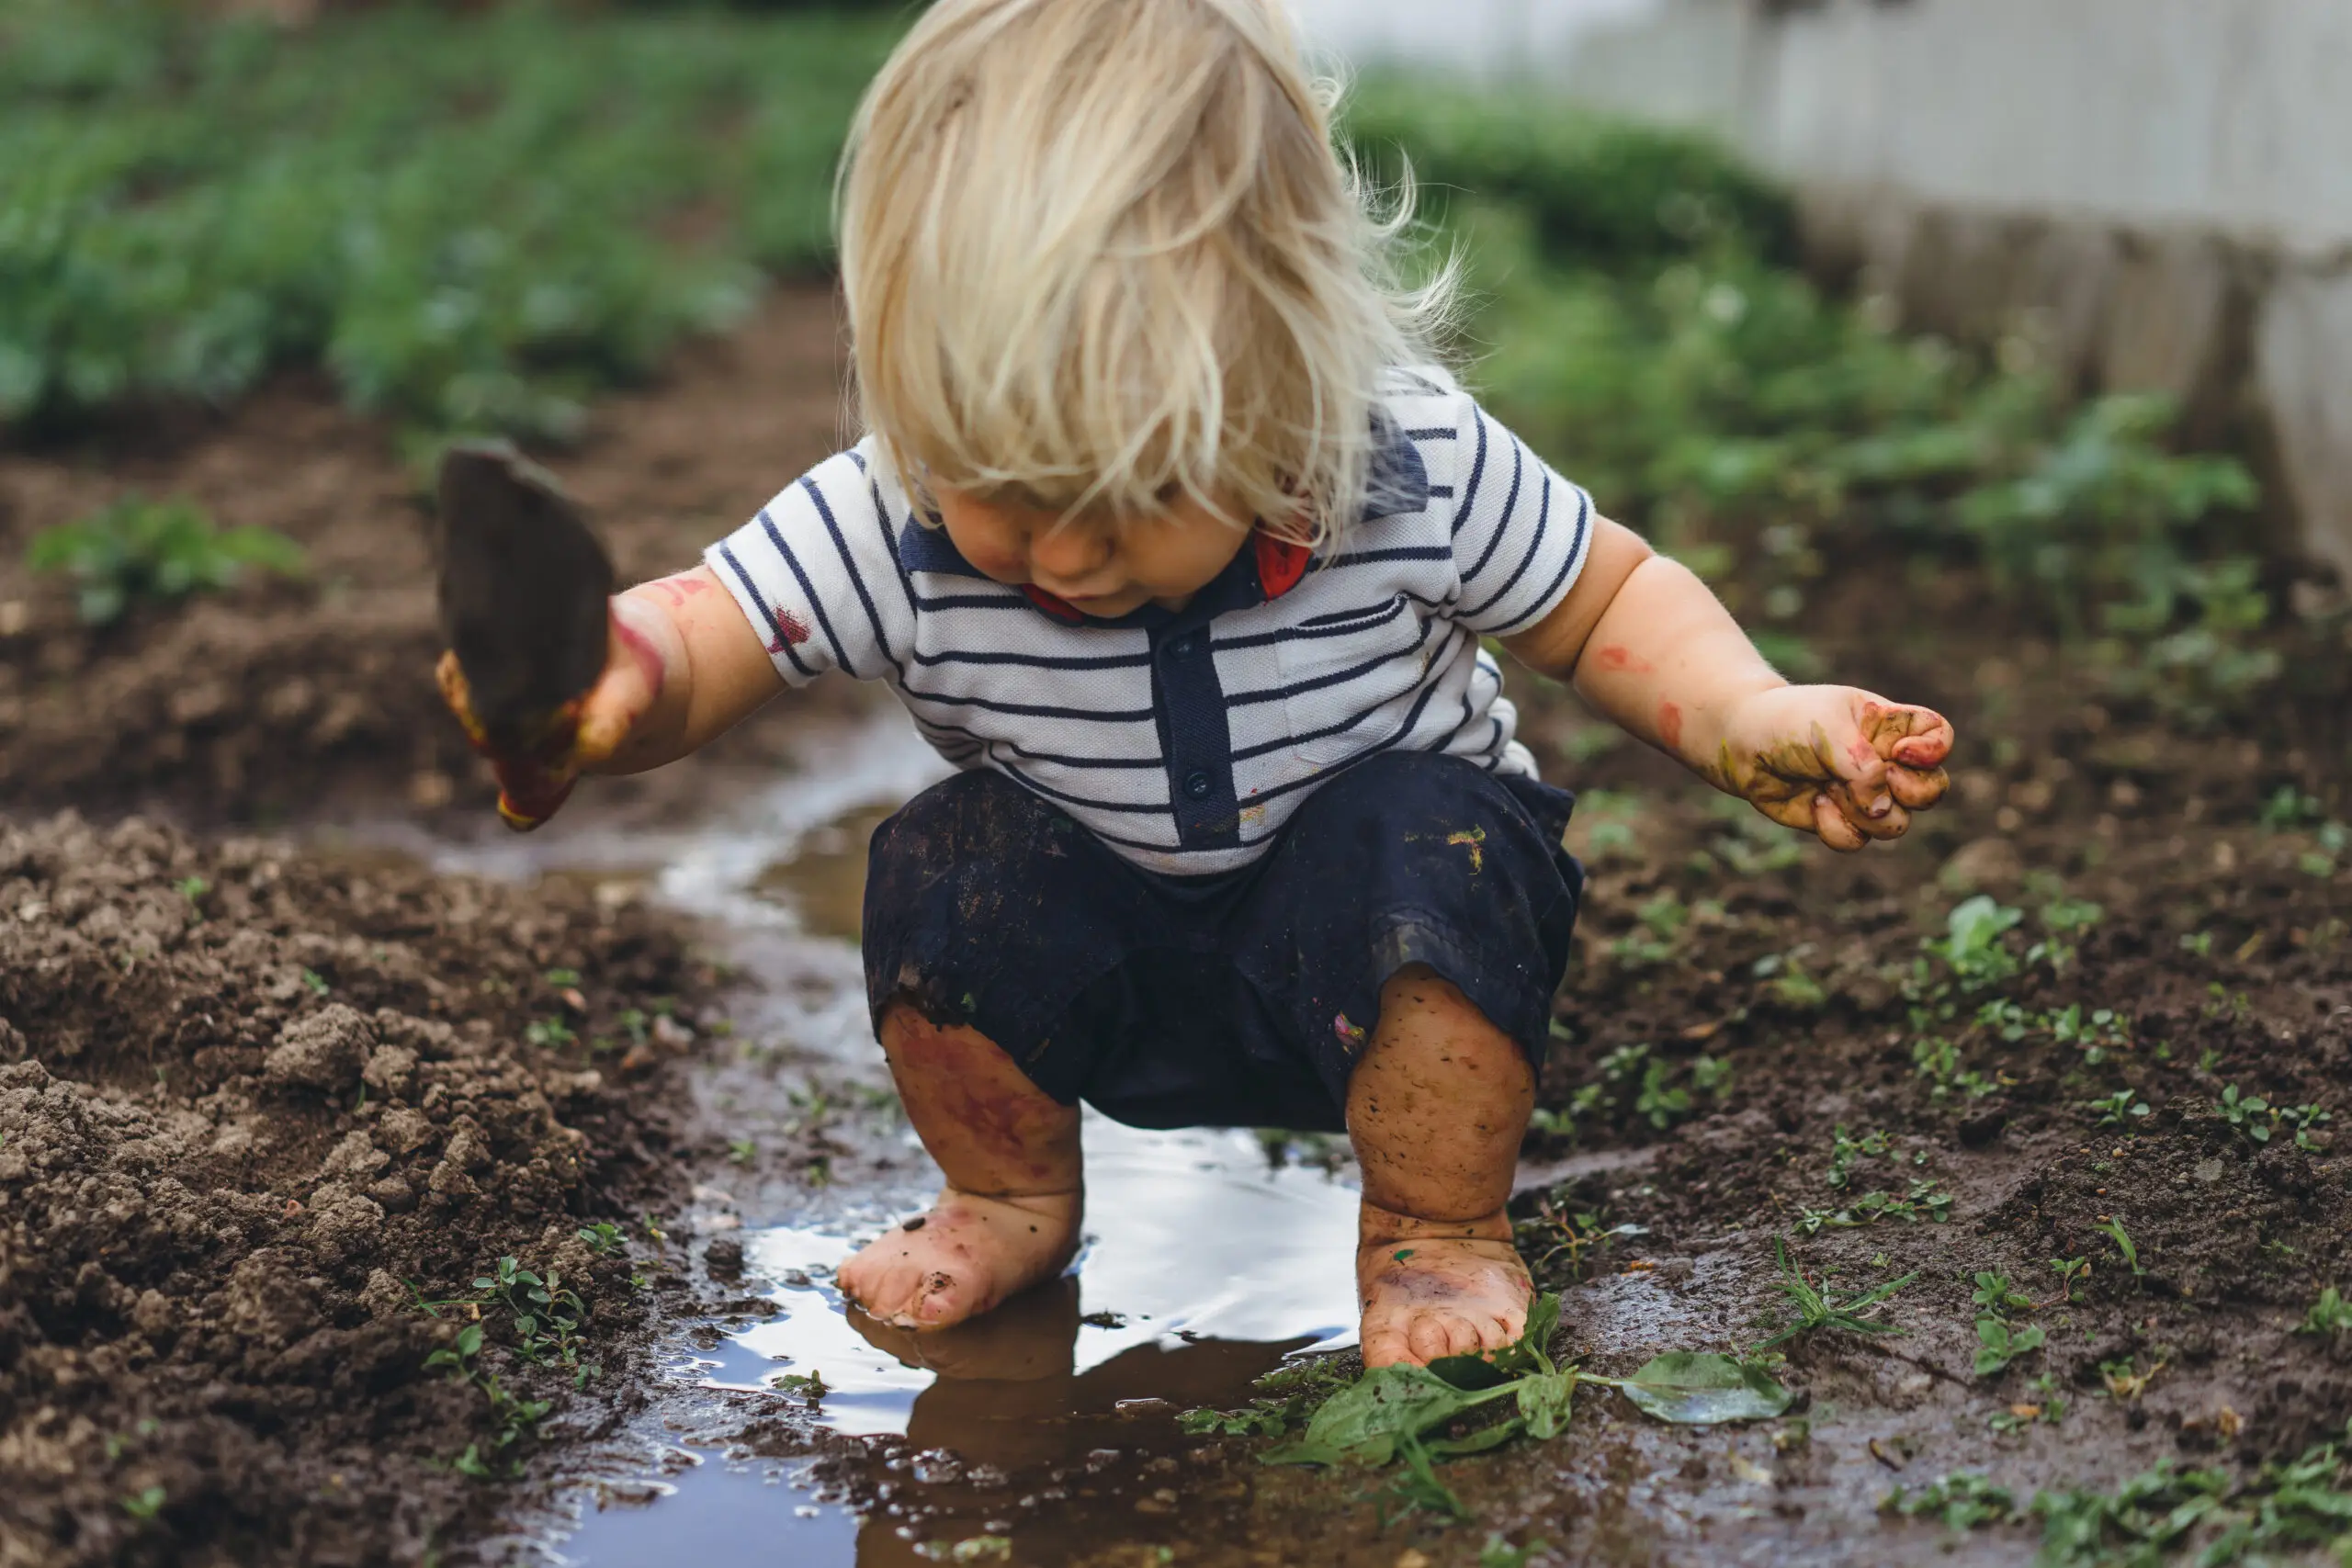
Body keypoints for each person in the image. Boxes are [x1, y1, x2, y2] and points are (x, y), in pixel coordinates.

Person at [436, 0, 1952, 1370]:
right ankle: (1008, 1191)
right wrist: (605, 678)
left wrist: (1747, 710)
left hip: (1380, 960)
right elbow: (711, 630)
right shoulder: (894, 514)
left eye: (1135, 490)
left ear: (1283, 376)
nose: (1065, 551)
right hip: (1105, 954)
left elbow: (1602, 596)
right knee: (948, 862)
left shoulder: (1400, 464)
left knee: (1439, 834)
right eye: (1002, 495)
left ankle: (1432, 1225)